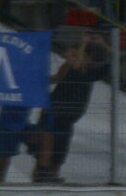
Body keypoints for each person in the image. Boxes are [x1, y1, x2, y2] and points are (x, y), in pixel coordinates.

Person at [32, 34, 107, 183]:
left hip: (68, 119)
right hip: (54, 113)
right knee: (44, 153)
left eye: (76, 54)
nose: (72, 56)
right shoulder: (69, 67)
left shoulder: (90, 73)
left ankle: (51, 177)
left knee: (59, 155)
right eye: (72, 53)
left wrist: (102, 44)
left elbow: (113, 61)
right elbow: (59, 75)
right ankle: (39, 177)